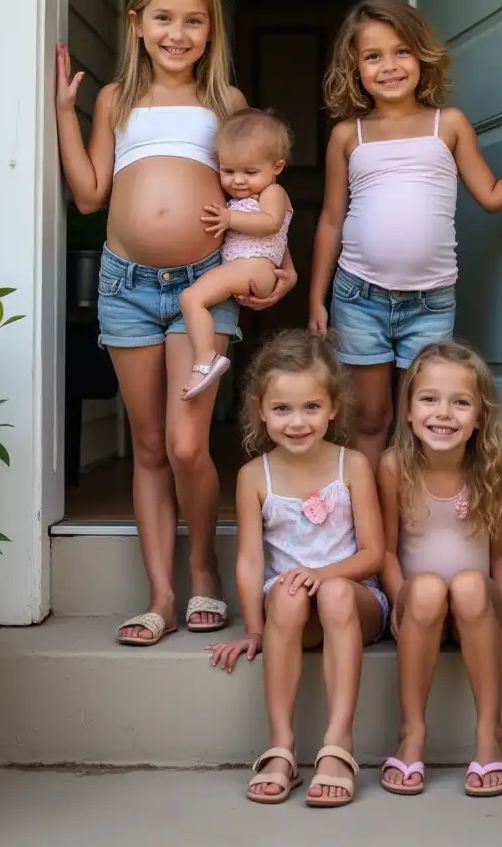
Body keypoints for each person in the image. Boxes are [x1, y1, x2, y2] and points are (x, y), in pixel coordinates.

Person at [55, 0, 296, 645]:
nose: (177, 33)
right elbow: (90, 194)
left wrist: (281, 268)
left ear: (211, 29)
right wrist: (64, 116)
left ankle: (204, 571)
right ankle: (161, 593)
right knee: (151, 444)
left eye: (193, 20)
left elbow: (265, 194)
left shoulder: (228, 104)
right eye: (163, 18)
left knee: (191, 445)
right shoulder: (116, 102)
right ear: (137, 24)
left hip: (201, 286)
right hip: (126, 286)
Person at [309, 0, 502, 468]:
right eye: (373, 56)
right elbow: (331, 218)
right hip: (358, 297)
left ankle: (419, 527)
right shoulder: (349, 134)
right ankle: (372, 528)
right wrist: (316, 298)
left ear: (422, 56)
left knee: (427, 421)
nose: (389, 66)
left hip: (429, 302)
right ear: (354, 68)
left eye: (401, 51)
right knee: (370, 418)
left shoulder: (447, 124)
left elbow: (489, 194)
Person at [207, 329, 388, 808]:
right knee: (286, 593)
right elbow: (249, 560)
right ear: (259, 410)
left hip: (355, 600)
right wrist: (253, 628)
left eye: (311, 407)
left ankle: (337, 743)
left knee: (332, 594)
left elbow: (373, 553)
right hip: (292, 611)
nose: (297, 421)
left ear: (333, 408)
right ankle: (281, 745)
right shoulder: (253, 477)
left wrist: (327, 576)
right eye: (282, 409)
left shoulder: (353, 467)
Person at [377, 340, 502, 799]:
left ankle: (489, 733)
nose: (444, 413)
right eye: (429, 399)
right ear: (409, 410)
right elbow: (388, 551)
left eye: (461, 402)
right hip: (421, 609)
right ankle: (411, 732)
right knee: (429, 587)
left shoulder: (489, 470)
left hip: (478, 610)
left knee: (472, 583)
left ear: (480, 417)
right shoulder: (394, 467)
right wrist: (400, 601)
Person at [180, 109, 292, 399]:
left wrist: (229, 219)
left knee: (191, 298)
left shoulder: (273, 193)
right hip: (248, 267)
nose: (238, 181)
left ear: (277, 167)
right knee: (196, 299)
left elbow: (271, 224)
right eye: (228, 171)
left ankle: (205, 359)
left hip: (253, 268)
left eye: (250, 172)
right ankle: (206, 357)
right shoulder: (246, 197)